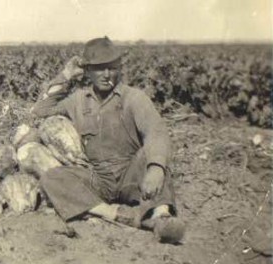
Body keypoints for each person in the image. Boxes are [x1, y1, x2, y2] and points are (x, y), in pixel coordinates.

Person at [30, 37, 185, 243]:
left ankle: (161, 217)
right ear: (87, 71)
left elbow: (156, 131)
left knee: (153, 156)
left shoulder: (134, 97)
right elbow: (41, 110)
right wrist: (66, 75)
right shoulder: (78, 100)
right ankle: (114, 214)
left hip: (131, 176)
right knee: (52, 177)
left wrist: (156, 168)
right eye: (98, 69)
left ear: (119, 68)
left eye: (111, 68)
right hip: (98, 179)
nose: (106, 75)